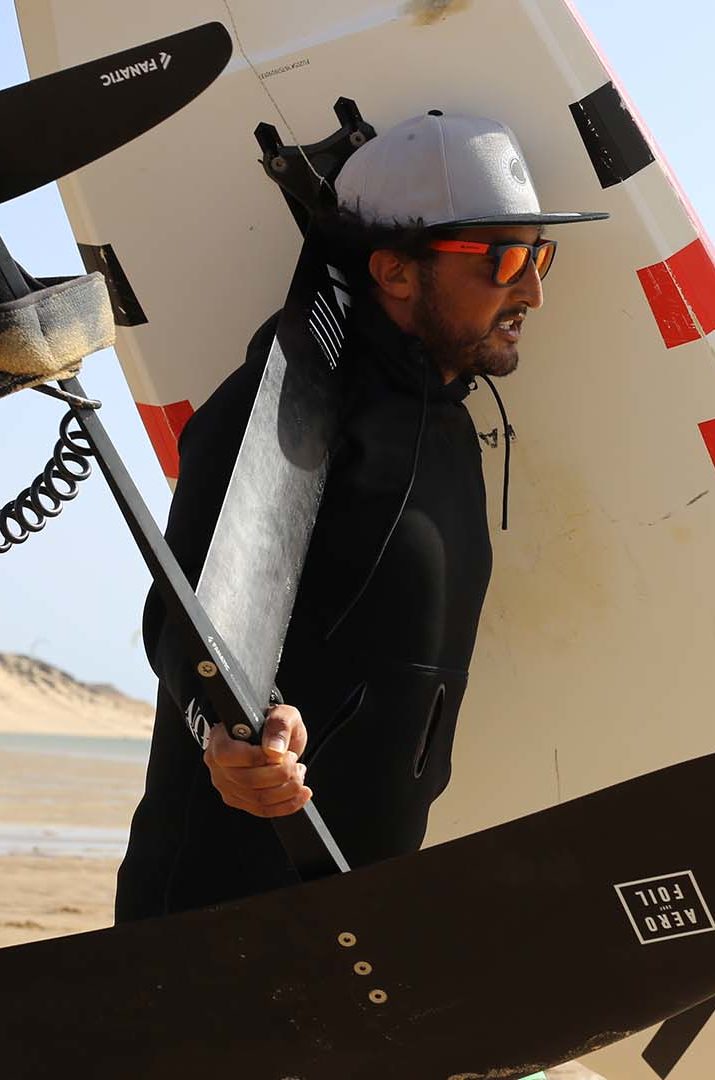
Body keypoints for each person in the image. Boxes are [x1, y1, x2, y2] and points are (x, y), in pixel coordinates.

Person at [115, 112, 607, 921]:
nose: (532, 290)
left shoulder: (446, 418)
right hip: (220, 906)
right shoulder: (293, 400)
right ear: (397, 272)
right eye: (504, 259)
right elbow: (185, 621)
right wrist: (226, 734)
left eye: (539, 256)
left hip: (364, 895)